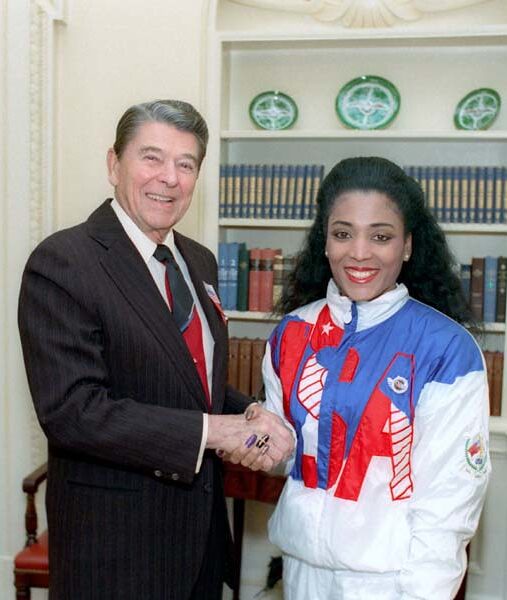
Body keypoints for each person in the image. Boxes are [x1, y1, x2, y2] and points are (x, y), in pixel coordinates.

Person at [17, 99, 294, 600]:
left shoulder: (200, 261)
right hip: (117, 551)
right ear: (113, 164)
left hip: (201, 542)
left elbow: (192, 380)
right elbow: (73, 412)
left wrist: (248, 411)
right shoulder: (63, 262)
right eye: (152, 157)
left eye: (186, 164)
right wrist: (217, 431)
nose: (169, 177)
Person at [261, 156, 490, 599]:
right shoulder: (290, 334)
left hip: (394, 582)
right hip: (301, 573)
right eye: (343, 233)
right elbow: (288, 461)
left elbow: (449, 505)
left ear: (407, 245)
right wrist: (260, 439)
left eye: (380, 236)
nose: (359, 253)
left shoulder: (447, 348)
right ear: (323, 242)